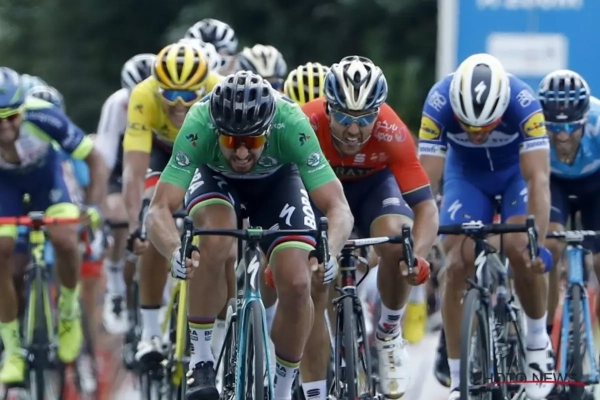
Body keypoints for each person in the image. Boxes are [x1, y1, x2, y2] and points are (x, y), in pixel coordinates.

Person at [145, 70, 354, 400]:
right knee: (214, 240)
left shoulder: (291, 123)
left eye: (253, 142)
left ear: (268, 130)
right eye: (231, 142)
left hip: (276, 183)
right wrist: (174, 251)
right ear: (217, 130)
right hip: (216, 179)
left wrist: (332, 249)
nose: (242, 154)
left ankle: (282, 390)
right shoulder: (200, 123)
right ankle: (201, 361)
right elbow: (158, 210)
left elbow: (338, 207)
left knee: (298, 282)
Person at [418, 53, 554, 400]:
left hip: (515, 177)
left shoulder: (524, 101)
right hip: (466, 177)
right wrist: (421, 242)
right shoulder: (439, 100)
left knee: (521, 251)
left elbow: (538, 180)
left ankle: (537, 339)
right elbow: (425, 184)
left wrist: (536, 243)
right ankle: (458, 377)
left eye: (486, 126)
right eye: (469, 126)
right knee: (456, 264)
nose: (477, 134)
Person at [300, 55, 436, 399]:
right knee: (314, 276)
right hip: (321, 194)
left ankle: (388, 333)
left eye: (364, 119)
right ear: (328, 108)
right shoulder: (306, 122)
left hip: (373, 190)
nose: (353, 130)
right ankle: (315, 387)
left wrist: (417, 258)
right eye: (344, 117)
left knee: (397, 242)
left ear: (378, 112)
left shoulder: (392, 130)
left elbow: (426, 207)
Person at [0, 67, 106, 385]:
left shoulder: (44, 117)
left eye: (12, 117)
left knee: (65, 239)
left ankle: (69, 310)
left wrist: (93, 206)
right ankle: (13, 351)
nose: (5, 127)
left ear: (23, 109)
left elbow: (95, 159)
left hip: (48, 182)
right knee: (2, 252)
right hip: (5, 187)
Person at [122, 42, 223, 365]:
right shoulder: (143, 95)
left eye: (189, 95)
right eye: (171, 95)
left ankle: (217, 331)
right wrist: (135, 224)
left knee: (218, 230)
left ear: (203, 88)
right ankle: (151, 332)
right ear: (158, 89)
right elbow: (133, 170)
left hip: (205, 153)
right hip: (162, 153)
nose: (179, 104)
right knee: (153, 220)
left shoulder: (218, 90)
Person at [96, 53, 156, 335]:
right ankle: (116, 285)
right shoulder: (117, 104)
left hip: (154, 164)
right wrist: (101, 210)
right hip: (122, 167)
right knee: (119, 215)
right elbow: (104, 160)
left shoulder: (168, 103)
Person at [538, 70, 600, 341]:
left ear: (584, 120)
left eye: (571, 128)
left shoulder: (598, 121)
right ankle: (545, 334)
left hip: (595, 185)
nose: (562, 136)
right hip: (555, 184)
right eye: (554, 128)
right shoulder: (532, 123)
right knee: (549, 247)